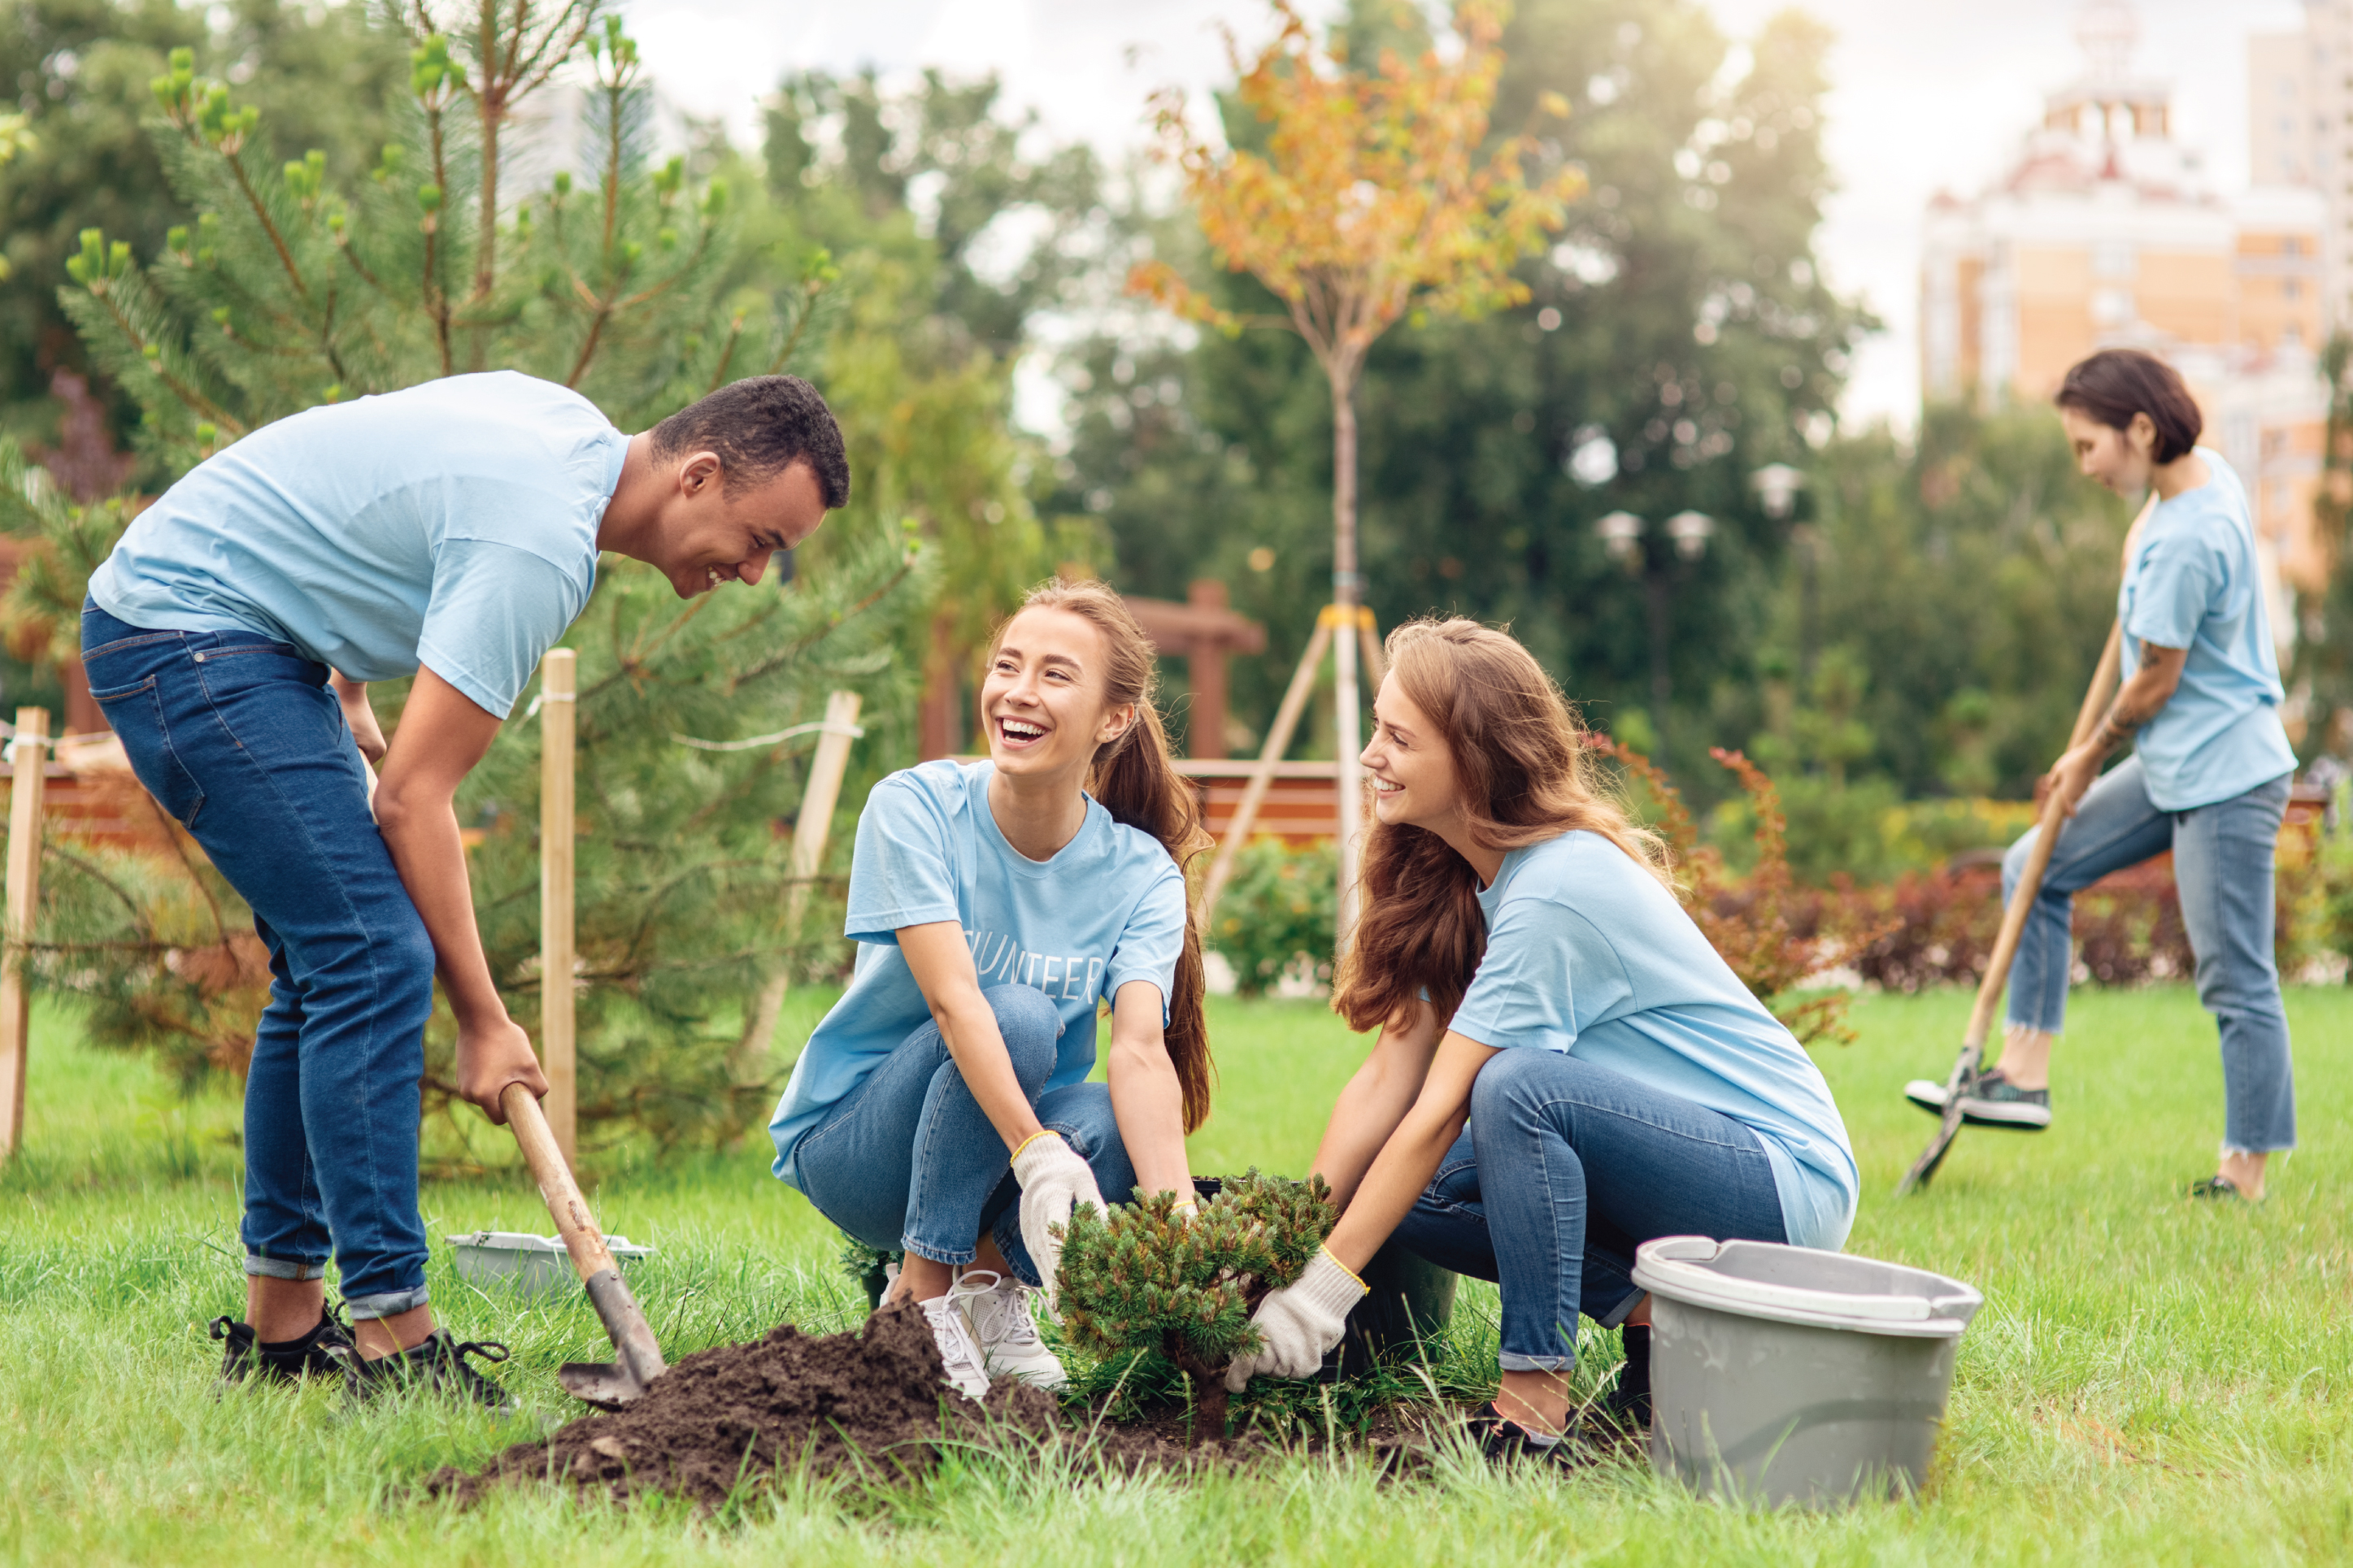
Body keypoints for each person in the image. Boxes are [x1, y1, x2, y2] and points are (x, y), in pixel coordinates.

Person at [81, 371, 845, 1403]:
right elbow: (413, 802)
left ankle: (282, 1337)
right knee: (370, 955)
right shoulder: (539, 543)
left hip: (238, 629)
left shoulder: (568, 431)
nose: (756, 572)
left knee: (324, 967)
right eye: (760, 539)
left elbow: (371, 473)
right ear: (698, 474)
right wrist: (484, 1022)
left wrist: (349, 678)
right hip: (190, 631)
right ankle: (395, 1344)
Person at [1219, 619, 1858, 1460]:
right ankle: (1661, 1320)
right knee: (1402, 1188)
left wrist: (1317, 1300)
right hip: (1677, 1173)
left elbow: (1441, 1108)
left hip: (1777, 1181)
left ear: (1473, 760)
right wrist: (1282, 1248)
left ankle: (1531, 1396)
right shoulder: (1461, 880)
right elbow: (1388, 1080)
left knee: (1519, 1089)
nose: (1370, 755)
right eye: (1377, 728)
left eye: (1396, 737)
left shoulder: (1556, 887)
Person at [768, 577, 1209, 1397]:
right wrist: (1036, 1152)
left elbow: (1142, 1054)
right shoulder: (916, 807)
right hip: (862, 1146)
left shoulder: (1139, 872)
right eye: (1007, 666)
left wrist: (1179, 1234)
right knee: (1017, 1014)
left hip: (994, 1150)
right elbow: (954, 1002)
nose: (1017, 692)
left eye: (1053, 674)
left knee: (1113, 1123)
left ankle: (988, 1288)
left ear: (1113, 720)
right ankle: (919, 1301)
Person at [1904, 348, 2299, 1203]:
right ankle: (2022, 1071)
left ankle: (2246, 1170)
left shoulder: (2188, 537)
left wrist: (2087, 753)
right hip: (2172, 765)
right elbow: (2144, 632)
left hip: (2224, 775)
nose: (2081, 466)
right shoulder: (2189, 485)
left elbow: (2153, 678)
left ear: (2141, 430)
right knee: (2031, 864)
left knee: (2234, 976)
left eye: (2088, 447)